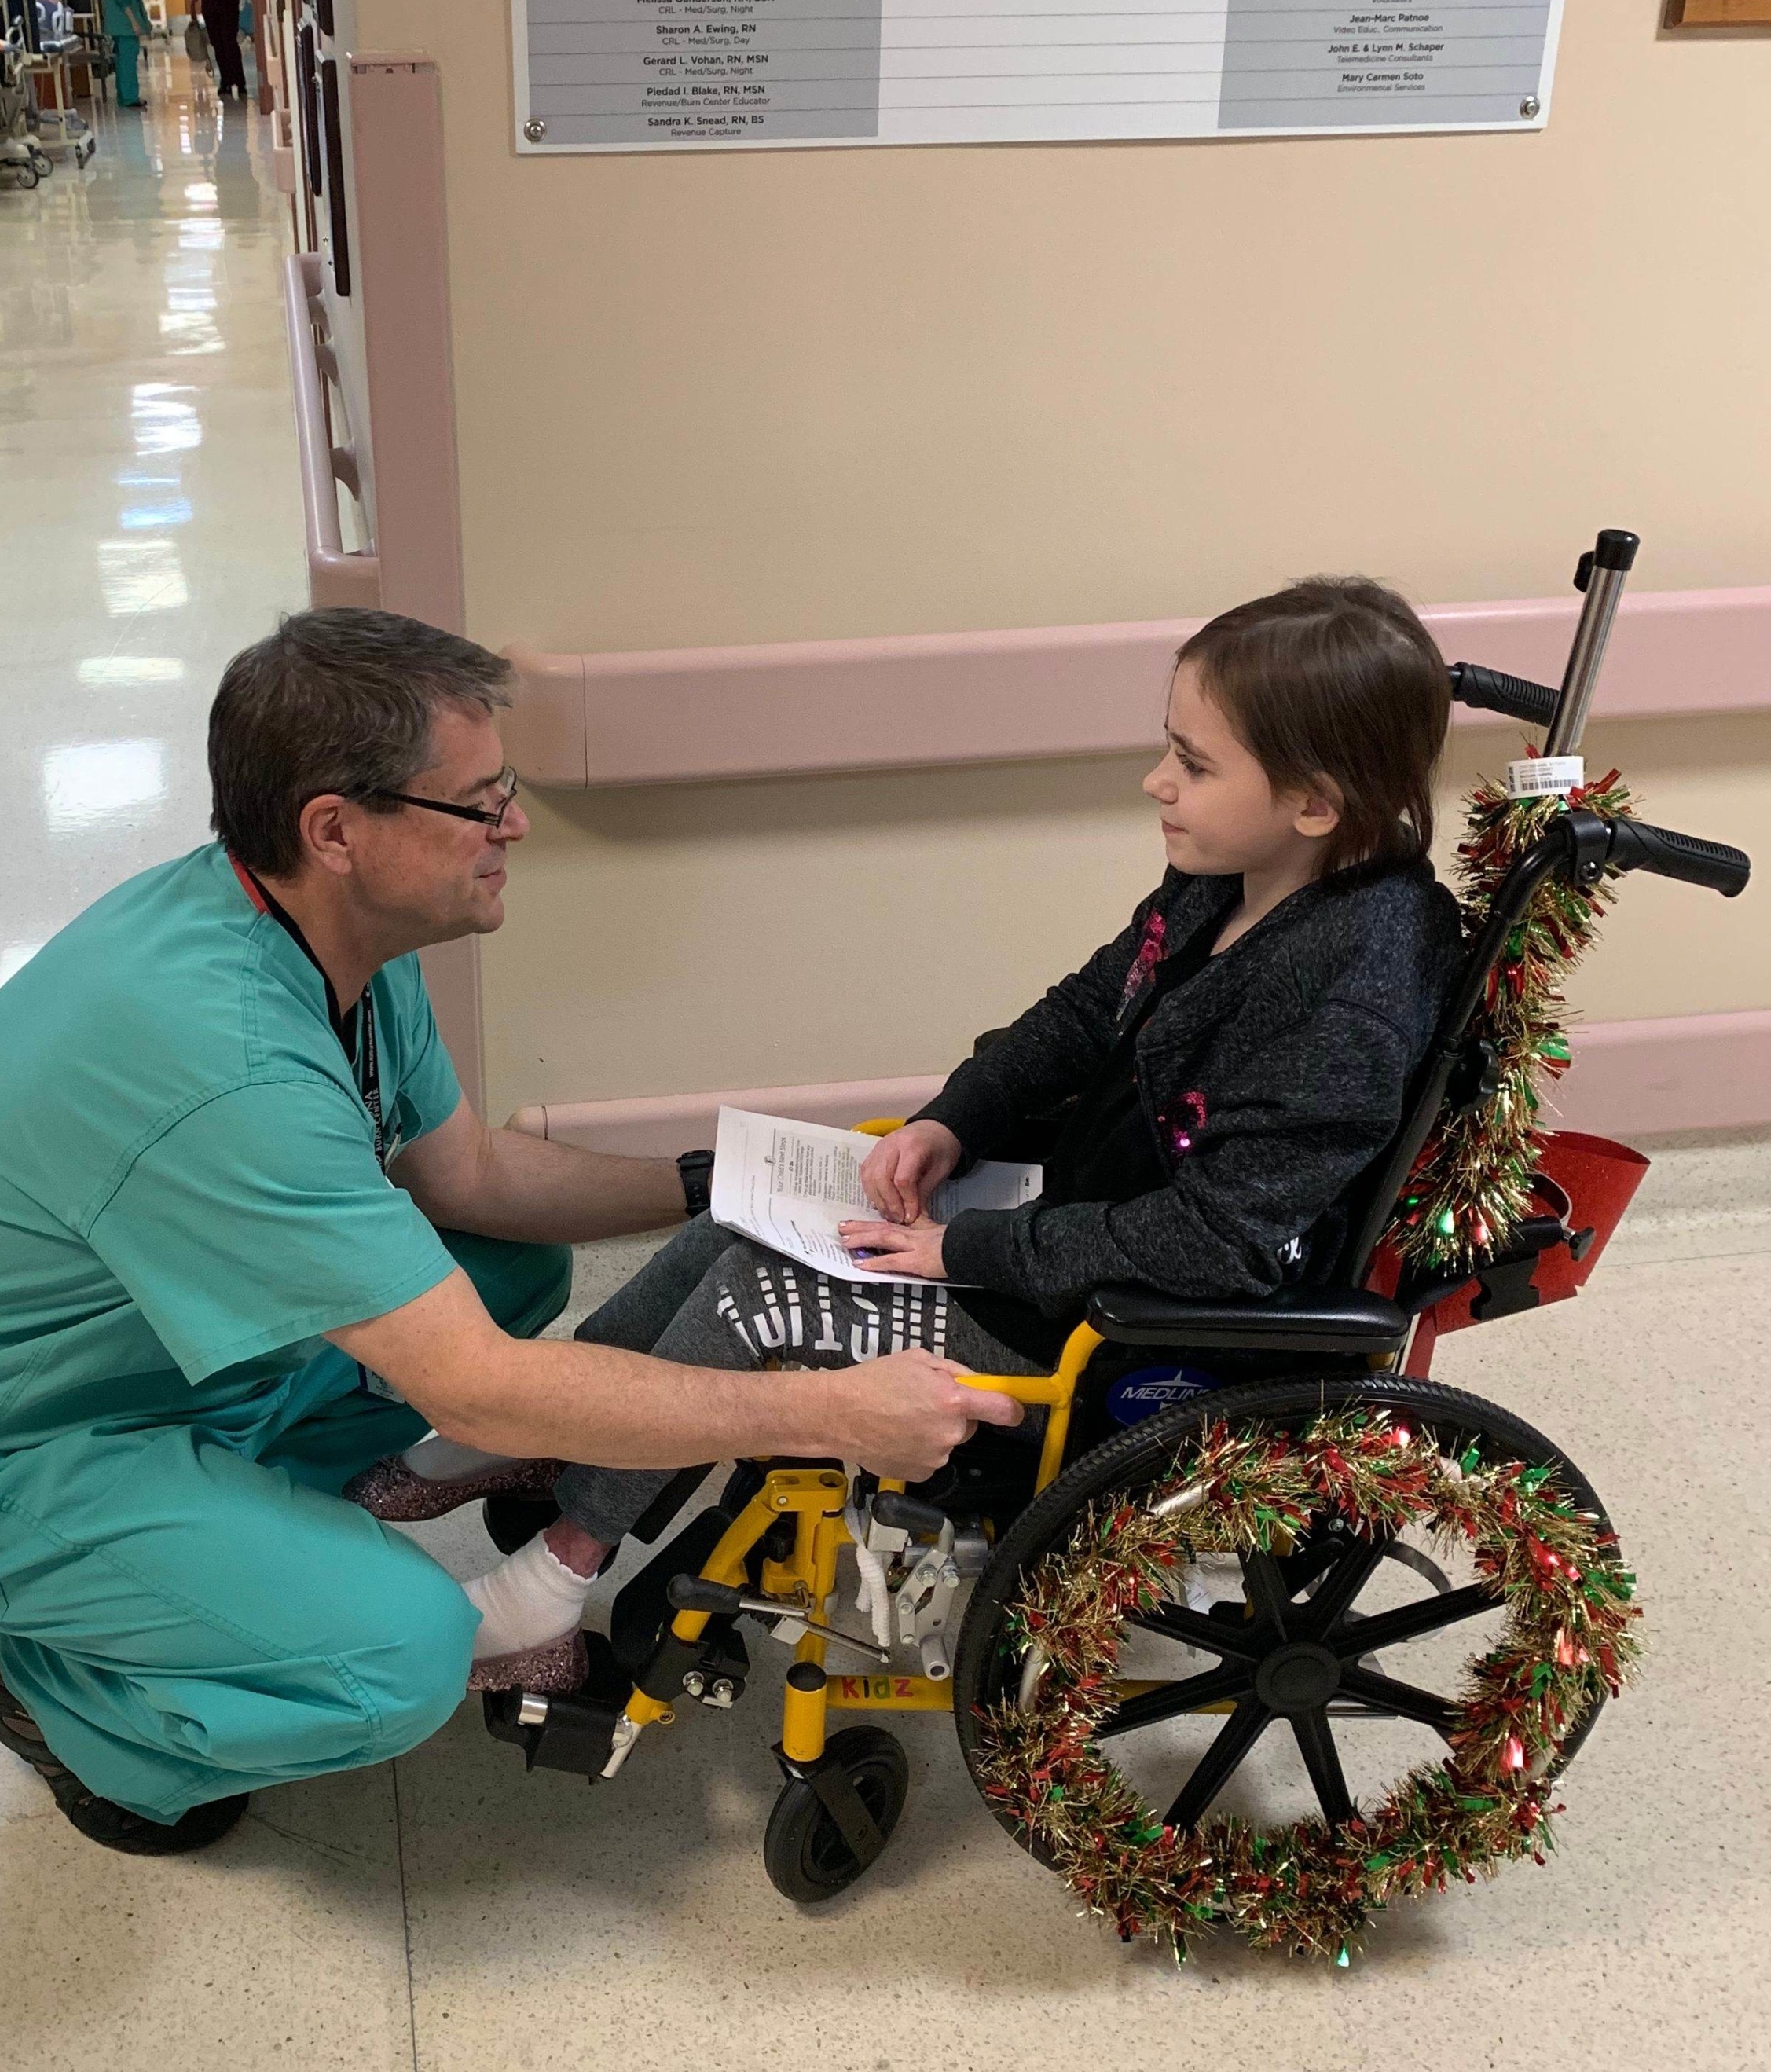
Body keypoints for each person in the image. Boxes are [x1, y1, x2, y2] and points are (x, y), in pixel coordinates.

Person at [0, 615, 1010, 1858]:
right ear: (338, 828)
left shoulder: (325, 935)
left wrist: (722, 1187)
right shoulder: (223, 1060)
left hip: (147, 1362)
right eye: (482, 803)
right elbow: (478, 1388)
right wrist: (833, 1411)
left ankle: (227, 1550)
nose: (516, 827)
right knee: (404, 1655)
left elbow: (477, 1177)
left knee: (511, 1267)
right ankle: (61, 1691)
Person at [518, 577, 1463, 1550]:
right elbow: (1088, 1009)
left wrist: (964, 1252)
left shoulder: (1352, 990)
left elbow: (1218, 1244)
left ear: (1313, 802)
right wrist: (954, 1119)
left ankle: (561, 1570)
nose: (1156, 781)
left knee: (748, 1291)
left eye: (1191, 763)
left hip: (1122, 1324)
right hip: (1064, 1221)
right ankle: (565, 1427)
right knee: (723, 1228)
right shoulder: (1226, 878)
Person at [100, 0, 153, 109]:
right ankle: (130, 97)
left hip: (121, 25)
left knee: (124, 61)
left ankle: (126, 96)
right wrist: (135, 22)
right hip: (125, 25)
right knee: (128, 61)